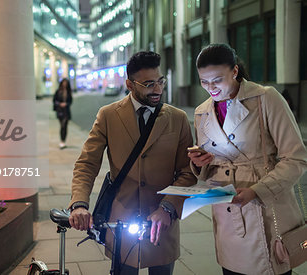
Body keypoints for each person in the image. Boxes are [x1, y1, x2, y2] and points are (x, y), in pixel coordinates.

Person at [69, 51, 197, 275]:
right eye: (148, 84)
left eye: (160, 81)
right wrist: (79, 203)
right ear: (130, 84)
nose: (157, 89)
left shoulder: (177, 119)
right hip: (121, 222)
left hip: (161, 223)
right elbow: (87, 164)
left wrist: (168, 207)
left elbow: (188, 172)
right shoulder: (108, 115)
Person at [188, 43, 307, 275]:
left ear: (234, 71)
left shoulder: (266, 98)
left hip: (266, 204)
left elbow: (296, 158)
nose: (210, 88)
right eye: (204, 81)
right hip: (227, 211)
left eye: (217, 80)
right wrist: (199, 163)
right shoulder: (202, 111)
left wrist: (258, 191)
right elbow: (211, 162)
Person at [53, 78, 72, 149]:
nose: (65, 84)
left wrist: (66, 104)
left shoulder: (68, 92)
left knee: (65, 125)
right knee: (62, 126)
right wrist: (60, 104)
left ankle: (63, 141)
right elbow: (54, 100)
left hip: (66, 111)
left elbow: (70, 101)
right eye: (64, 83)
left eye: (66, 83)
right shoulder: (58, 91)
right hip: (60, 111)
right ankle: (62, 141)